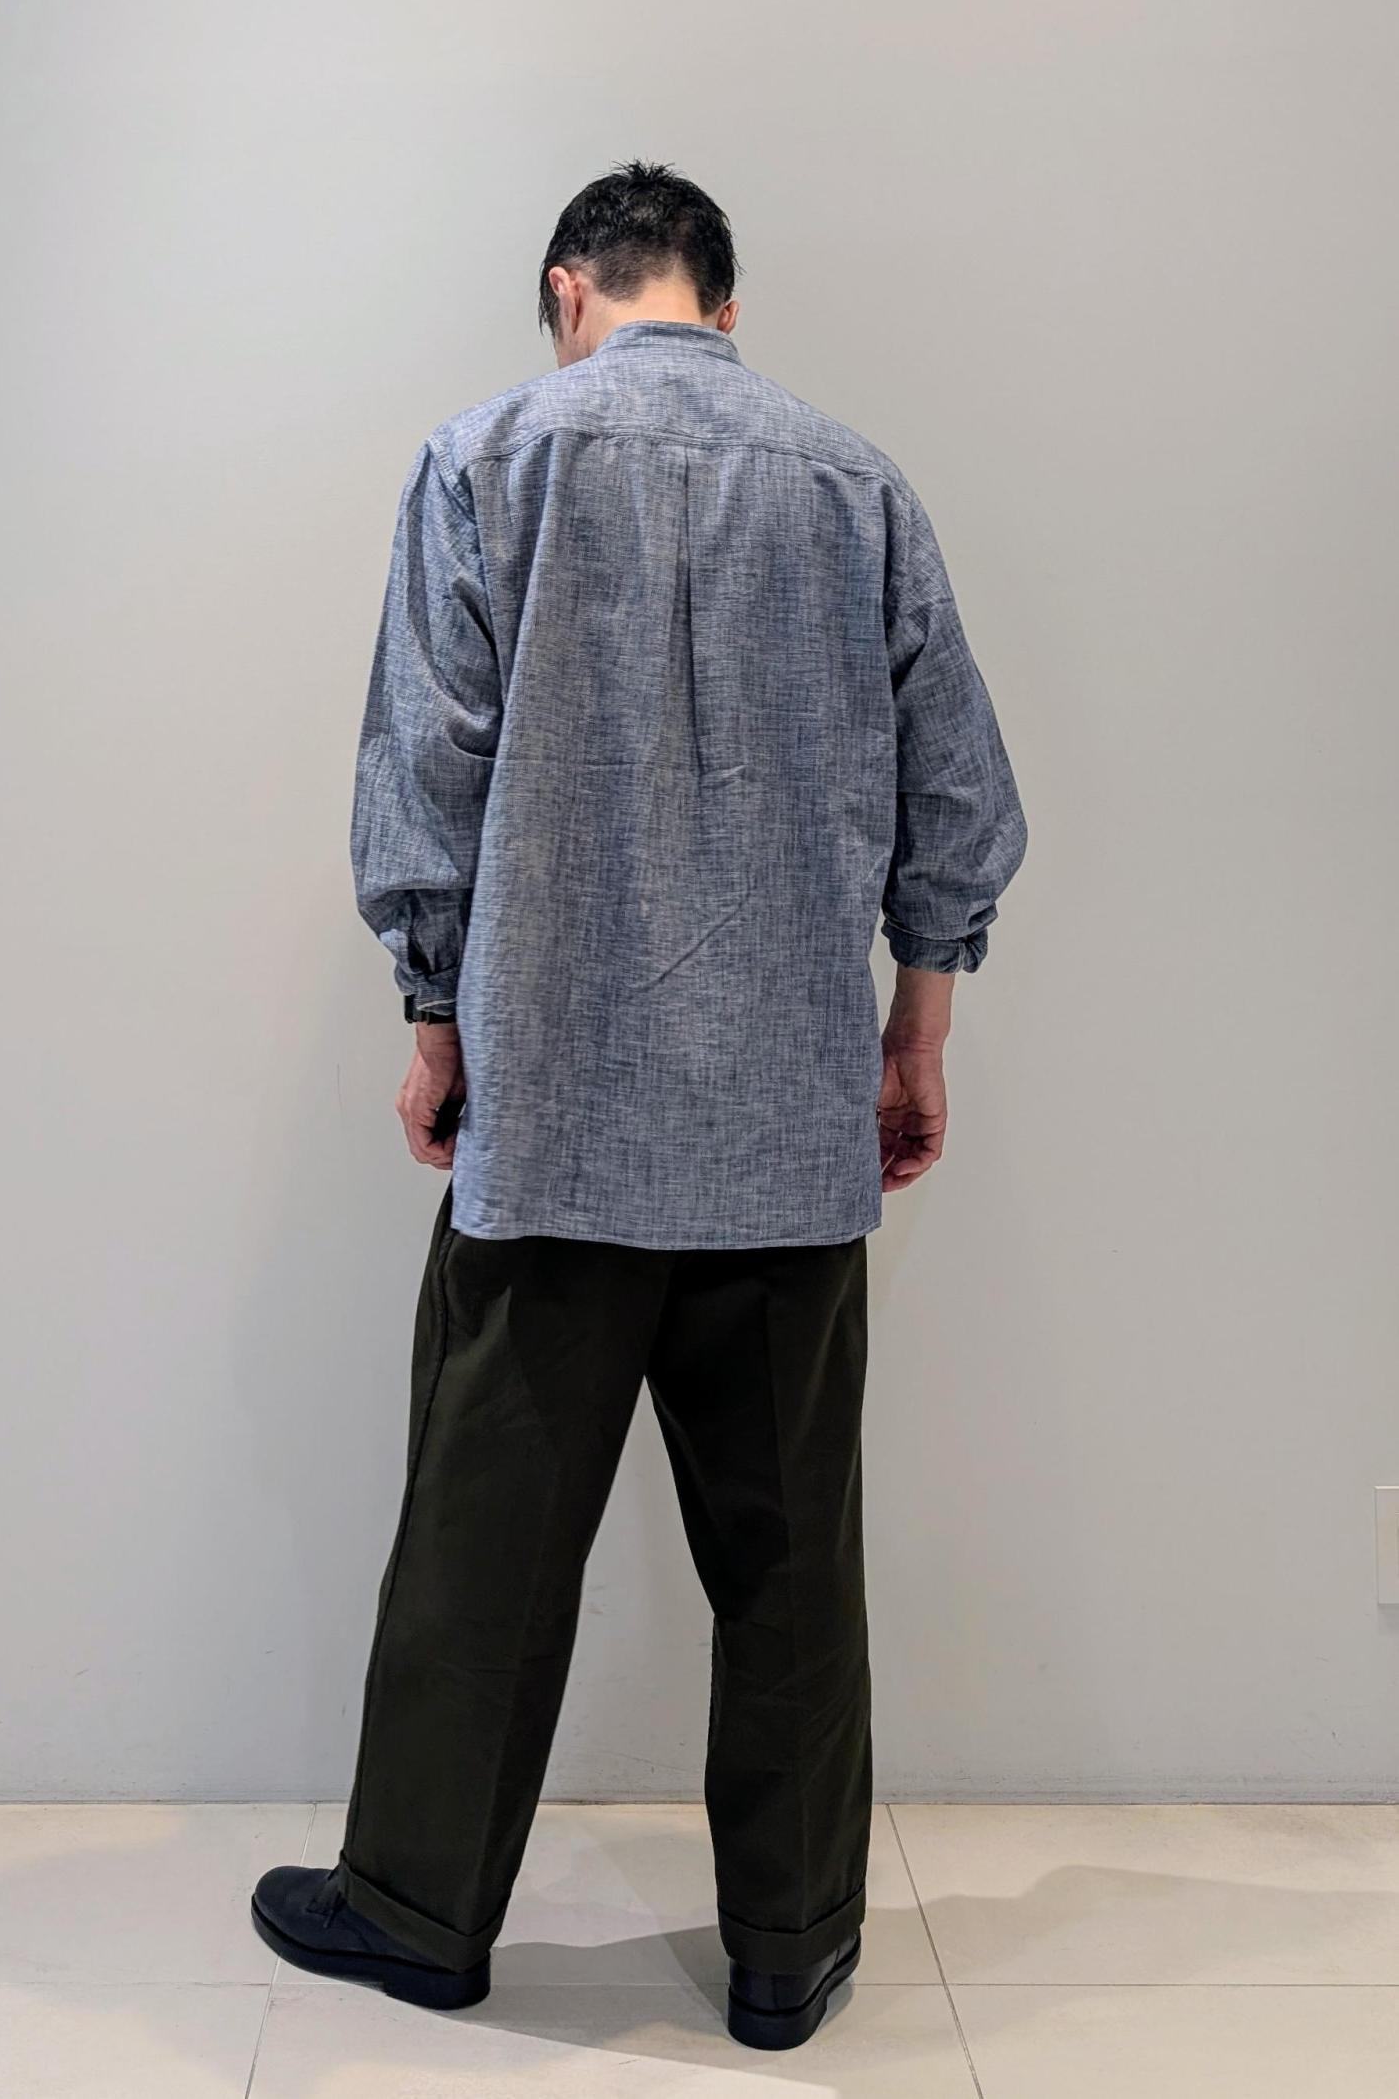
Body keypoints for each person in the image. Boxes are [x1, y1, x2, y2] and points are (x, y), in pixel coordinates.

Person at [251, 158, 1027, 2051]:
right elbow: (960, 795)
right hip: (785, 1135)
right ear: (725, 305)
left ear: (566, 290)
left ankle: (420, 1910)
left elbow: (425, 779)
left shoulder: (482, 461)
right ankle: (790, 1949)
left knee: (484, 1546)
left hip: (556, 1120)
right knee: (791, 1561)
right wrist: (918, 1028)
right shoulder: (855, 485)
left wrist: (435, 1017)